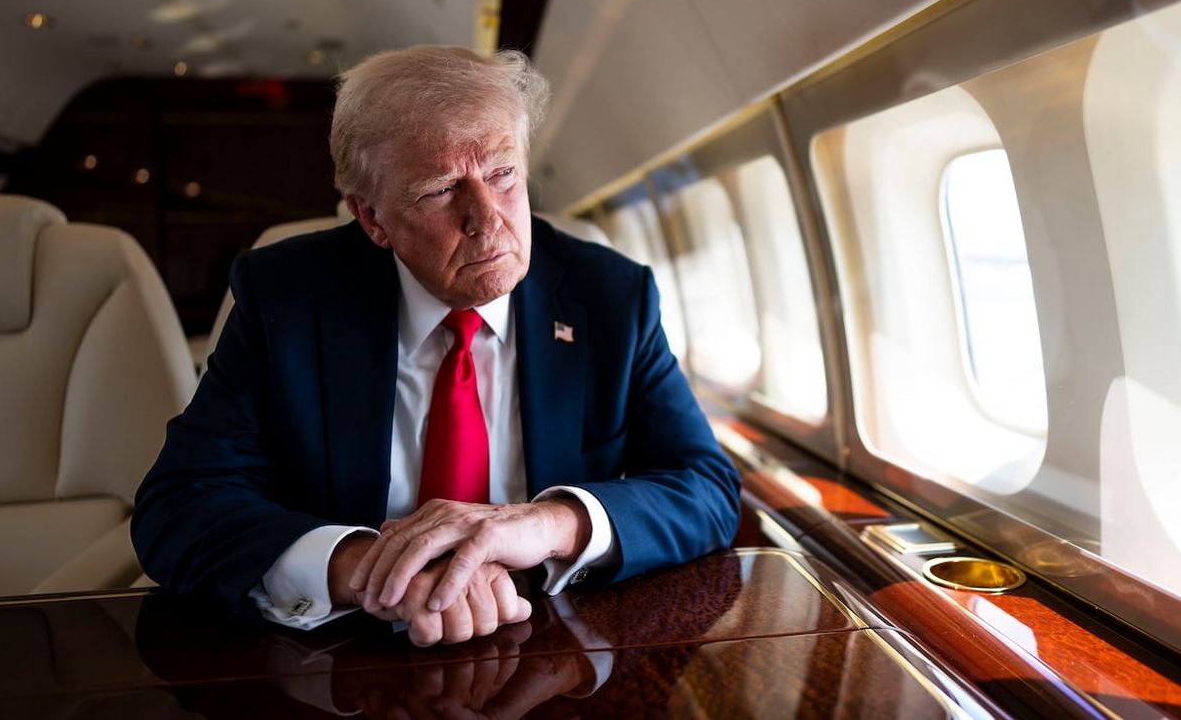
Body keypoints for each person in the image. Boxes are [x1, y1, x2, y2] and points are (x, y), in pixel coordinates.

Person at [131, 45, 742, 647]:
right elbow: (179, 505)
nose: (487, 218)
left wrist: (549, 523)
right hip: (341, 653)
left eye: (502, 173)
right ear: (372, 219)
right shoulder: (285, 298)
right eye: (442, 189)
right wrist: (376, 569)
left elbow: (706, 485)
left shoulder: (610, 296)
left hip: (550, 643)